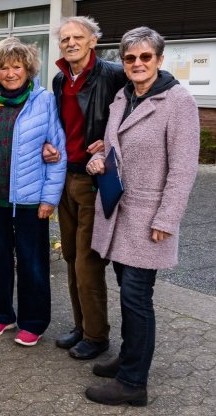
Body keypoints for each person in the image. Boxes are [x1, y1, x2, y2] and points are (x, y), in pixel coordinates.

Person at [83, 27, 199, 406]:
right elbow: (116, 147)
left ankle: (134, 383)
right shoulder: (122, 96)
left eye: (145, 57)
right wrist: (100, 159)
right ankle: (129, 358)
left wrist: (167, 219)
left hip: (149, 219)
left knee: (136, 297)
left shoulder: (178, 101)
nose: (137, 64)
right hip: (118, 212)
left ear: (159, 60)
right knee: (127, 291)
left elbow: (183, 168)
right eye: (130, 58)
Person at [0, 38, 66, 346]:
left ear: (28, 69)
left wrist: (50, 198)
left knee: (34, 261)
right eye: (3, 67)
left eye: (16, 67)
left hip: (32, 200)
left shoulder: (44, 101)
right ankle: (0, 315)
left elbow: (57, 150)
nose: (10, 73)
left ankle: (33, 322)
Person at [45, 16, 126, 360]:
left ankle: (97, 335)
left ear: (93, 41)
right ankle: (82, 326)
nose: (71, 43)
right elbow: (62, 126)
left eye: (78, 37)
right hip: (65, 176)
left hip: (95, 180)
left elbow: (134, 114)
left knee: (87, 262)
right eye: (65, 38)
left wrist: (109, 143)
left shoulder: (114, 74)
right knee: (70, 256)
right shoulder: (60, 79)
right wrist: (49, 146)